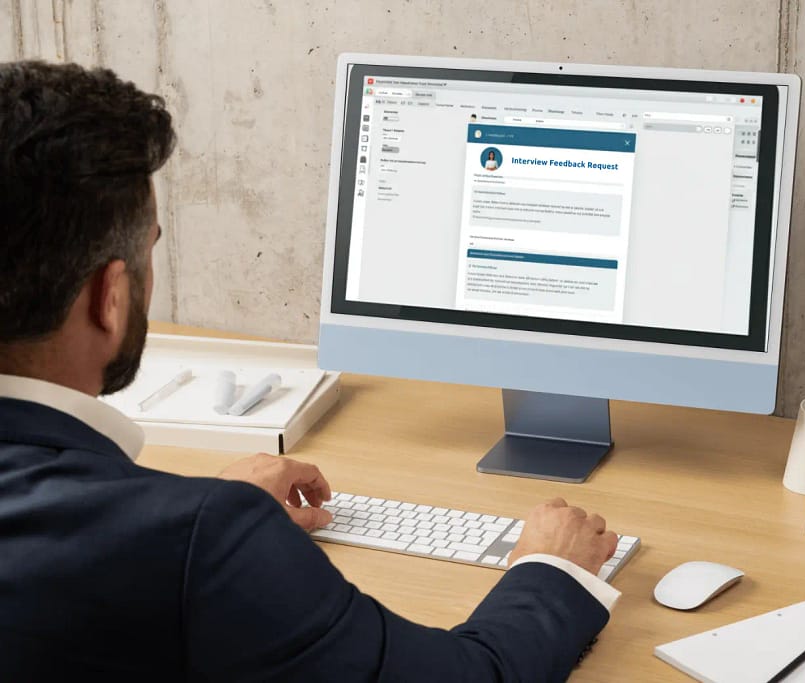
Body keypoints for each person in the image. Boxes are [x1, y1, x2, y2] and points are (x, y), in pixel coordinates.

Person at [0, 61, 620, 680]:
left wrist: (194, 519)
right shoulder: (207, 539)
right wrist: (549, 571)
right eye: (149, 248)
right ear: (110, 296)